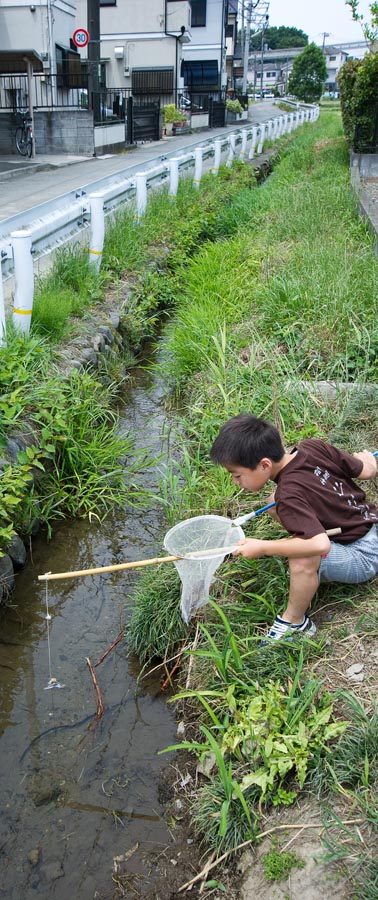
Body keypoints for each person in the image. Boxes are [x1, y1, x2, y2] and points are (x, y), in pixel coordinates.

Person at [210, 414, 378, 642]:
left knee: (303, 556)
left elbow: (319, 544)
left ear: (264, 465)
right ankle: (307, 536)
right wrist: (368, 461)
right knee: (274, 503)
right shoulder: (312, 447)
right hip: (369, 522)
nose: (235, 482)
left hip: (364, 555)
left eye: (237, 475)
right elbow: (366, 471)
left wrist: (263, 547)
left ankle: (294, 622)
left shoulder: (289, 494)